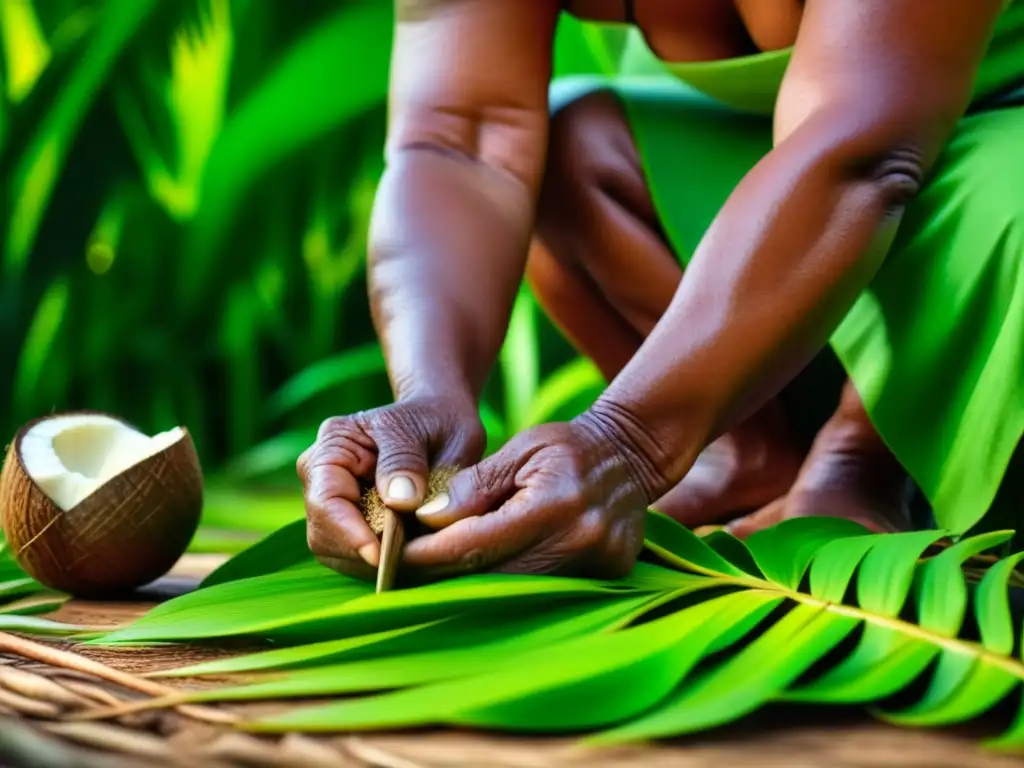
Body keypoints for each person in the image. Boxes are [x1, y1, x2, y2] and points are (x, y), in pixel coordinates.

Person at [298, 0, 1024, 582]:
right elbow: (459, 136)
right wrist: (431, 391)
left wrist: (628, 440)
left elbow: (862, 150)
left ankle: (880, 466)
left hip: (987, 173)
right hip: (798, 191)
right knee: (575, 147)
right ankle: (747, 453)